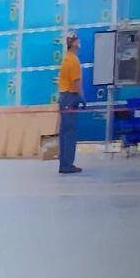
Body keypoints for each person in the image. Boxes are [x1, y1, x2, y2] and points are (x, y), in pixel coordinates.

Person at [56, 33, 85, 174]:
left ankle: (64, 163)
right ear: (73, 43)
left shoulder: (66, 58)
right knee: (69, 133)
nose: (79, 42)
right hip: (69, 97)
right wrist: (81, 97)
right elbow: (76, 81)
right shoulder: (73, 60)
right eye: (77, 40)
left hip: (64, 97)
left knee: (65, 132)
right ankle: (67, 164)